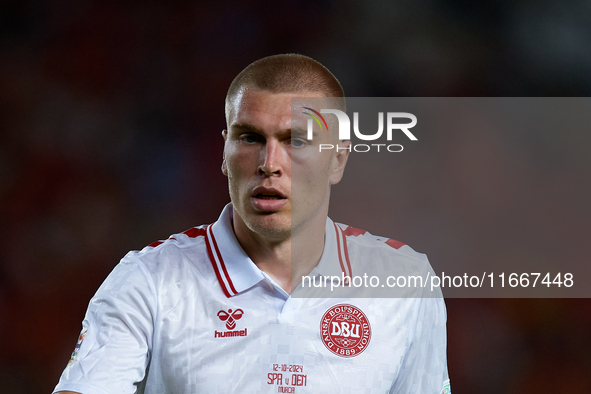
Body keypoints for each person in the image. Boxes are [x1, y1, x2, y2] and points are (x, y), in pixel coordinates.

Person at [54, 54, 450, 394]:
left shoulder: (406, 283)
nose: (269, 163)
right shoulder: (148, 281)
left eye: (296, 140)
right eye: (250, 138)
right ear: (225, 153)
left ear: (338, 159)